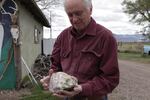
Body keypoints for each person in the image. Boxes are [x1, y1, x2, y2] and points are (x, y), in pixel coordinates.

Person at [40, 0, 119, 100]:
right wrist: (52, 79)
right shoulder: (62, 37)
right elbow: (56, 67)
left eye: (78, 13)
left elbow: (110, 78)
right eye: (70, 15)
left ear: (90, 10)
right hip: (68, 97)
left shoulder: (106, 38)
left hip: (94, 97)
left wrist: (82, 88)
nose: (74, 19)